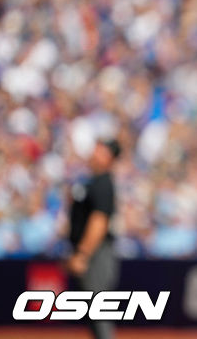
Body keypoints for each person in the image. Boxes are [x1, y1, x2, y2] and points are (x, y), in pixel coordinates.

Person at [66, 139, 121, 339]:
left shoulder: (104, 183)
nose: (95, 152)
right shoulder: (92, 181)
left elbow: (99, 221)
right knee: (94, 312)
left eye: (101, 150)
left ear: (109, 157)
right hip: (92, 252)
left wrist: (82, 254)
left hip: (97, 253)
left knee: (99, 311)